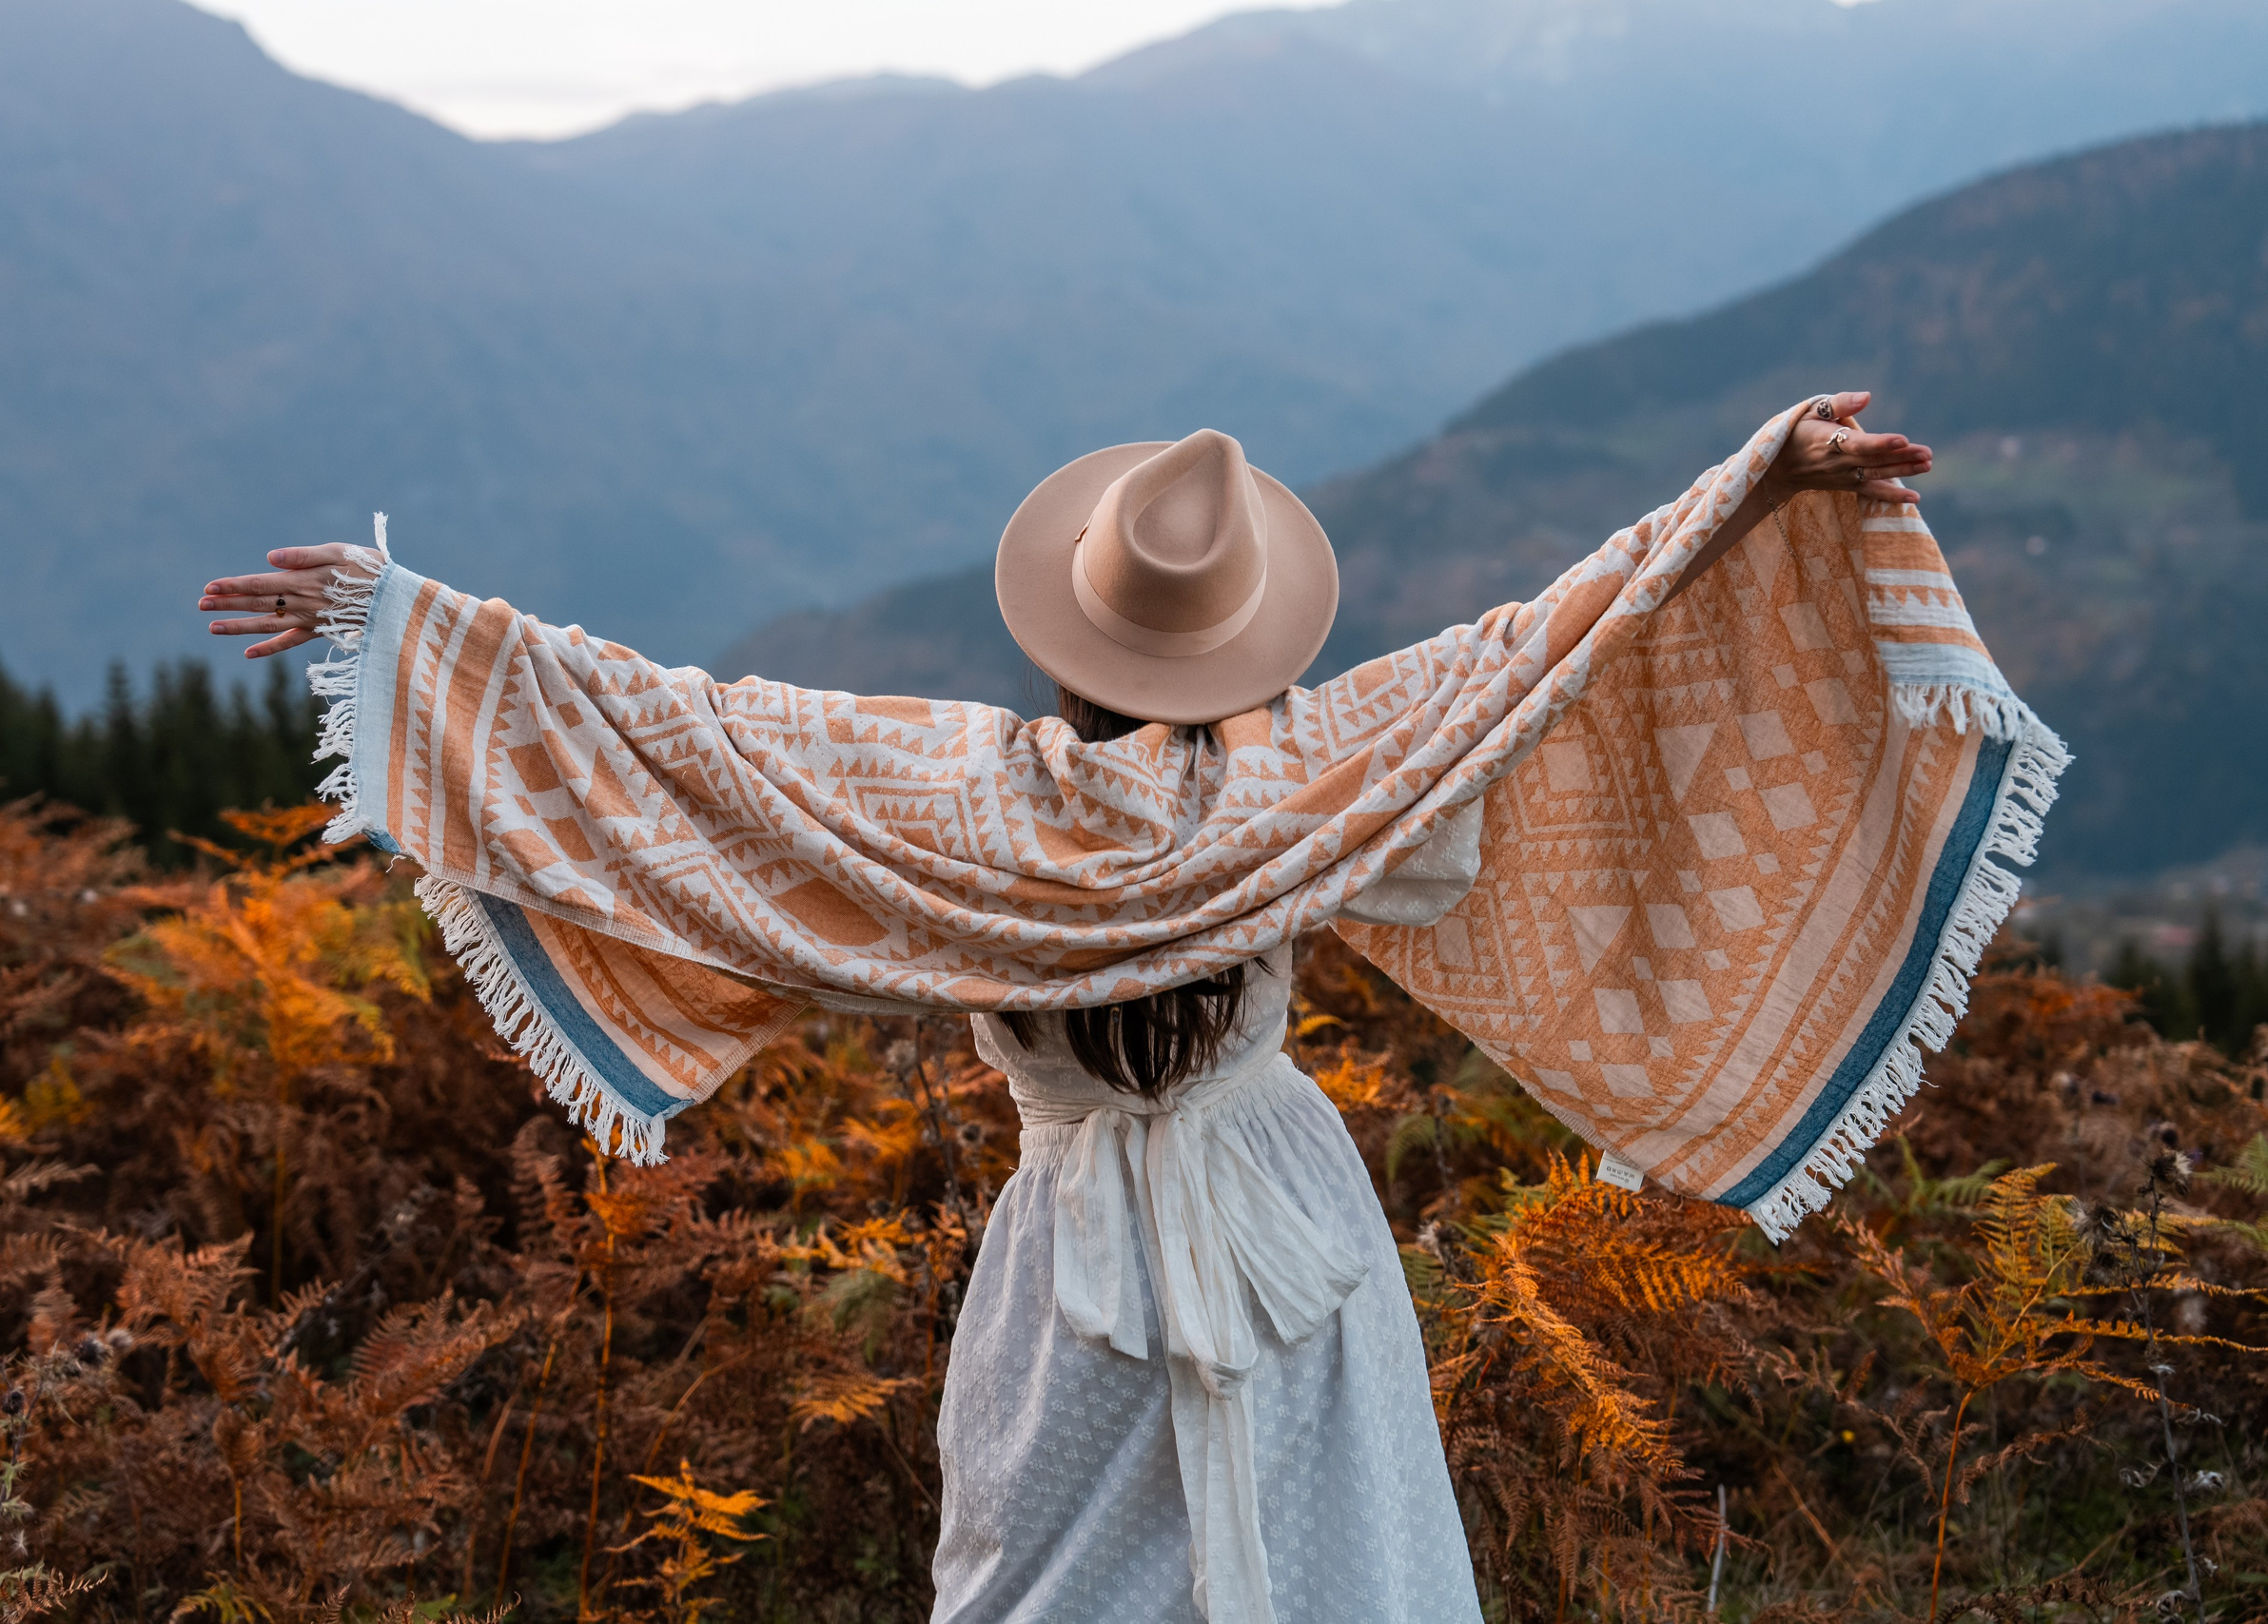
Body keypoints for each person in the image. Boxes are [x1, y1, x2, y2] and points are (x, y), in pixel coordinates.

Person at [195, 394, 2045, 1623]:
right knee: (1340, 1564)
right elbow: (1547, 649)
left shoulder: (946, 809)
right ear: (1248, 641)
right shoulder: (1319, 779)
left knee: (1045, 1580)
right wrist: (1759, 480)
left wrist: (403, 619)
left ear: (1063, 638)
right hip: (1284, 1221)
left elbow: (682, 742)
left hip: (1068, 1248)